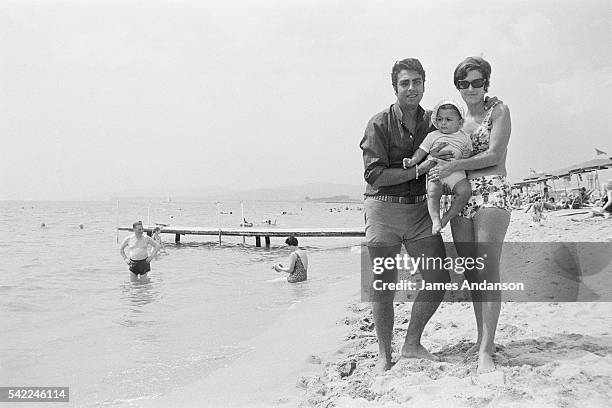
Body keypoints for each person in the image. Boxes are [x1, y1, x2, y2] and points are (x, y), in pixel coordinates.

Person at [360, 58, 457, 373]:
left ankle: (412, 343)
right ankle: (384, 354)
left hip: (420, 210)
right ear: (395, 87)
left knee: (438, 278)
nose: (412, 88)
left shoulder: (436, 121)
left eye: (417, 81)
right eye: (405, 83)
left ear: (425, 84)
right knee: (383, 285)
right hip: (383, 209)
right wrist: (419, 169)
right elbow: (374, 175)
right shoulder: (379, 123)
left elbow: (463, 141)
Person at [429, 56, 512, 374]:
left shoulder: (499, 110)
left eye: (478, 82)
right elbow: (436, 148)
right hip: (462, 196)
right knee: (473, 271)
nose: (471, 88)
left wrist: (454, 166)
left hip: (492, 192)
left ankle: (487, 351)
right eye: (464, 84)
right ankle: (482, 340)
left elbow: (494, 155)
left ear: (487, 83)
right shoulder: (456, 120)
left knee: (487, 269)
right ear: (457, 87)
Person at [403, 100, 473, 234]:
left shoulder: (465, 137)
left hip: (457, 174)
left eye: (448, 119)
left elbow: (470, 154)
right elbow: (421, 151)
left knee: (465, 191)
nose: (443, 123)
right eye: (439, 119)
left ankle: (447, 216)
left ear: (460, 122)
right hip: (436, 172)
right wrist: (412, 161)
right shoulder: (433, 136)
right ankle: (435, 219)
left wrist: (467, 154)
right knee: (432, 192)